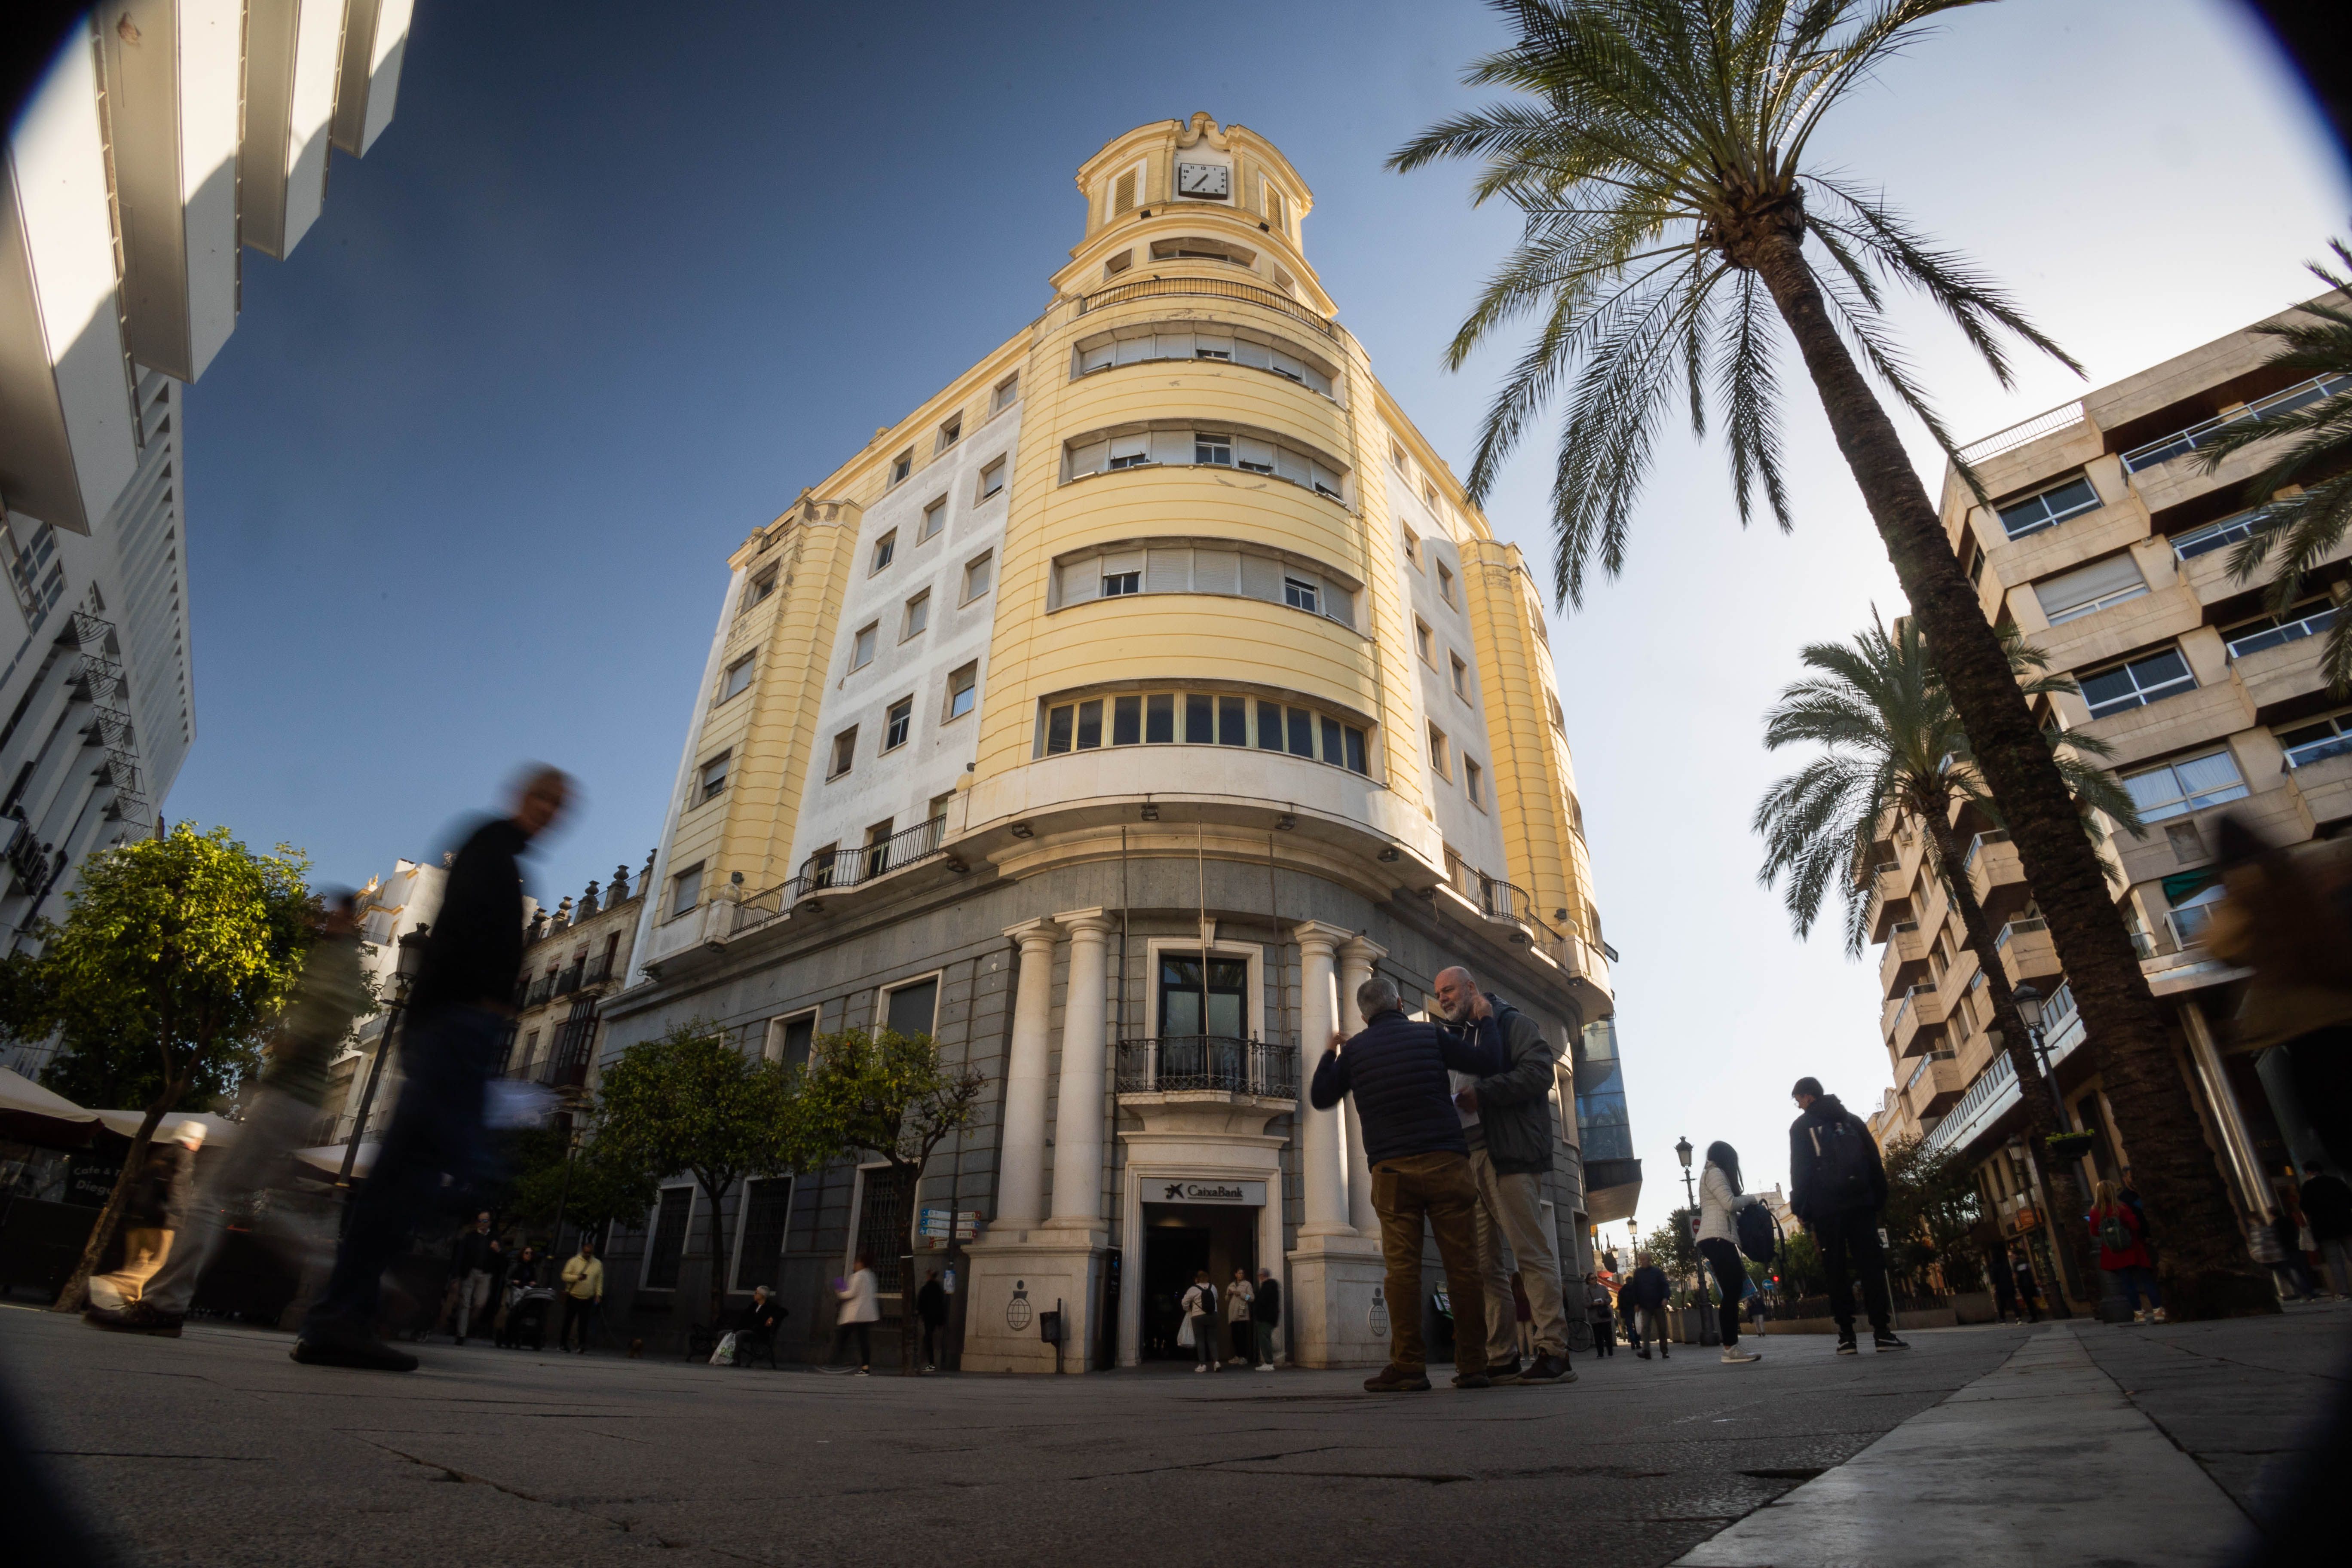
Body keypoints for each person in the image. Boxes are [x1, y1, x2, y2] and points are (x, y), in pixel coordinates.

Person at [297, 768, 571, 1371]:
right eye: (548, 800)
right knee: (438, 1173)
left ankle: (344, 1312)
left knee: (406, 1174)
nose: (554, 814)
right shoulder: (489, 850)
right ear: (527, 798)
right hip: (455, 1028)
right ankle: (350, 1309)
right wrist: (477, 1010)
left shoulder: (504, 858)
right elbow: (470, 938)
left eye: (560, 806)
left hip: (452, 1028)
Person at [89, 896, 371, 1336]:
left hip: (287, 1094)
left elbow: (325, 1016)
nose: (322, 920)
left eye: (332, 913)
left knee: (208, 1197)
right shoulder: (334, 958)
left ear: (348, 918)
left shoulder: (341, 960)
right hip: (293, 1095)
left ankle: (164, 1305)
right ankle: (364, 1284)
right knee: (270, 1209)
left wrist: (290, 1039)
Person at [1310, 972, 1504, 1393]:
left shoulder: (1355, 1052)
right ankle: (1473, 1365)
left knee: (1402, 1271)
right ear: (1400, 1005)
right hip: (1447, 1163)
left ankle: (1409, 1366)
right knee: (1464, 1268)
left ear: (1364, 1016)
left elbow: (1321, 1096)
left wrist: (1331, 1052)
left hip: (1392, 1172)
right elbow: (1489, 1062)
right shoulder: (1430, 1037)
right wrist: (1486, 1019)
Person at [1434, 965, 1576, 1385]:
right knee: (1484, 1265)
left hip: (1508, 1154)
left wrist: (1486, 1094)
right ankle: (1502, 1355)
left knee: (1529, 1253)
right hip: (1469, 1158)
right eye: (1438, 993)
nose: (1443, 999)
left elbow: (1539, 1073)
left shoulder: (1512, 1022)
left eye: (1449, 990)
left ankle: (1555, 1352)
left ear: (1472, 988)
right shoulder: (1457, 1037)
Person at [1788, 1076, 1906, 1354]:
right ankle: (1883, 1333)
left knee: (1836, 1271)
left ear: (1807, 1098)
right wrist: (1877, 1199)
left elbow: (1801, 1169)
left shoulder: (1802, 1127)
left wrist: (1802, 1209)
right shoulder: (1851, 1120)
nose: (1798, 1105)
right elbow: (1874, 1161)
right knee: (1871, 1267)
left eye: (1798, 1100)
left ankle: (1847, 1337)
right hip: (1860, 1205)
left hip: (1826, 1209)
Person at [86, 1122, 204, 1311]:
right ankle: (113, 1283)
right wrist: (179, 1216)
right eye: (200, 1140)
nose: (200, 1144)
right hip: (162, 1220)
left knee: (136, 1263)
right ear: (193, 1140)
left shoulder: (160, 1153)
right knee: (158, 1265)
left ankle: (125, 1308)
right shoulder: (184, 1155)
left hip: (137, 1218)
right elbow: (179, 1187)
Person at [1696, 1140, 1762, 1365]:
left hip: (1718, 1237)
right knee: (1732, 1293)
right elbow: (1730, 1203)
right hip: (1717, 1238)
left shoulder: (1712, 1173)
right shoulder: (1715, 1173)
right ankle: (1730, 1348)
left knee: (1733, 1292)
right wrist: (1752, 1199)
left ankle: (1731, 1346)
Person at [2087, 1179, 2164, 1323]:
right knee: (2146, 1279)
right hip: (2133, 1248)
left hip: (2114, 1252)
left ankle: (2139, 1314)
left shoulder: (2095, 1211)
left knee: (2128, 1283)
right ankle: (2158, 1311)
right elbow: (2135, 1225)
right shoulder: (2121, 1208)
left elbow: (2094, 1232)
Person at [2301, 1163, 2352, 1298]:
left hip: (2324, 1229)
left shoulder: (2308, 1187)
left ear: (2308, 1172)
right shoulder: (2336, 1182)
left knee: (2335, 1261)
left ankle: (2344, 1292)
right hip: (2346, 1224)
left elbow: (2305, 1208)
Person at [450, 1212, 496, 1344]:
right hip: (469, 1272)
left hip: (485, 1274)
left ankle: (468, 1327)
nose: (483, 1224)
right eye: (481, 1221)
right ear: (477, 1222)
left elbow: (502, 1259)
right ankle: (461, 1334)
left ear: (490, 1223)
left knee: (480, 1304)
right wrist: (457, 1275)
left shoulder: (494, 1238)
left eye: (486, 1221)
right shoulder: (470, 1237)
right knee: (465, 1303)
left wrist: (498, 1251)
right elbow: (461, 1256)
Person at [2272, 1183, 2321, 1301]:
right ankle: (2310, 1291)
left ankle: (2305, 1293)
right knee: (2302, 1270)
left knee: (2295, 1272)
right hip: (2295, 1245)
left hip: (2287, 1249)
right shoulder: (2289, 1220)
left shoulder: (2275, 1225)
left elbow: (2277, 1237)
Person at [833, 1251, 879, 1375]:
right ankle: (865, 1367)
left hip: (855, 1314)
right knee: (863, 1340)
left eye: (856, 1262)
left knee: (843, 1337)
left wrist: (840, 1292)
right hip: (867, 1314)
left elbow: (851, 1293)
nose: (854, 1265)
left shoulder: (858, 1276)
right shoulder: (871, 1276)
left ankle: (836, 1362)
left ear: (861, 1263)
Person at [559, 1237, 603, 1352]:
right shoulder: (574, 1261)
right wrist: (577, 1277)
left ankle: (582, 1345)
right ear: (582, 1251)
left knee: (584, 1323)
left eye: (590, 1253)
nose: (588, 1255)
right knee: (568, 1322)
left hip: (588, 1298)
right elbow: (564, 1276)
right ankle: (563, 1344)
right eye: (586, 1252)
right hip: (573, 1296)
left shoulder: (598, 1264)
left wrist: (598, 1294)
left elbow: (599, 1280)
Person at [1623, 1254, 1670, 1359]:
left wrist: (1666, 1297)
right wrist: (1636, 1303)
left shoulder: (1657, 1272)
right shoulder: (1638, 1273)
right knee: (1645, 1329)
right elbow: (1635, 1289)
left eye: (1644, 1259)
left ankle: (1664, 1351)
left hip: (1658, 1304)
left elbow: (1664, 1285)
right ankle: (1647, 1351)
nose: (1642, 1262)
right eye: (1641, 1260)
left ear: (1649, 1260)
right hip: (1645, 1305)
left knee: (1662, 1328)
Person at [497, 1244, 541, 1349]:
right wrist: (514, 1282)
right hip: (516, 1291)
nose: (529, 1255)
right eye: (527, 1253)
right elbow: (507, 1279)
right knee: (513, 1313)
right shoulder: (516, 1265)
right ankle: (508, 1338)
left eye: (531, 1253)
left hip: (527, 1292)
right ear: (522, 1254)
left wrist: (533, 1283)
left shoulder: (532, 1267)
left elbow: (534, 1280)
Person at [736, 1284, 785, 1369]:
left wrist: (772, 1318)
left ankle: (735, 1359)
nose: (755, 1295)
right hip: (748, 1330)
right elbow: (744, 1317)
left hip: (759, 1333)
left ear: (762, 1296)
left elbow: (784, 1311)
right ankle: (722, 1357)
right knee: (724, 1333)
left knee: (740, 1334)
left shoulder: (771, 1306)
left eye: (757, 1293)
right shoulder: (754, 1305)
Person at [1181, 1271, 1219, 1372]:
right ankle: (1216, 1362)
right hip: (1213, 1315)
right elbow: (1217, 1298)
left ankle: (1202, 1365)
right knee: (1212, 1340)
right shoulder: (1213, 1287)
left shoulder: (1193, 1289)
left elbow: (1184, 1302)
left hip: (1198, 1317)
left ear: (1196, 1279)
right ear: (1208, 1278)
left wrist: (1188, 1310)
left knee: (1200, 1341)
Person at [916, 1269, 949, 1371]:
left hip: (929, 1317)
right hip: (936, 1318)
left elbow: (921, 1303)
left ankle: (931, 1363)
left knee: (928, 1339)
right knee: (928, 1338)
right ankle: (930, 1362)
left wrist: (920, 1312)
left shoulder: (926, 1288)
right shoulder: (938, 1288)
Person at [1250, 1266, 1281, 1370]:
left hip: (1265, 1318)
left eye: (1260, 1275)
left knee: (1264, 1339)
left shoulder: (1266, 1287)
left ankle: (1269, 1362)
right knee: (1267, 1338)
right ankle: (1275, 1354)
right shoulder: (1273, 1286)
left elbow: (1261, 1302)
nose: (1259, 1277)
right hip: (1271, 1317)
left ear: (1262, 1276)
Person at [1223, 1268, 1254, 1366]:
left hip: (1242, 1315)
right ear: (1236, 1274)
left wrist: (1241, 1294)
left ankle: (1244, 1357)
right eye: (1239, 1273)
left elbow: (1251, 1298)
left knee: (1242, 1337)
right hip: (1233, 1316)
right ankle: (1237, 1356)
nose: (1241, 1275)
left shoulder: (1247, 1285)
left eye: (1242, 1273)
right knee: (1235, 1337)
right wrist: (1228, 1294)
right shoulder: (1231, 1285)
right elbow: (1226, 1299)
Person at [1986, 1246, 2020, 1323]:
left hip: (2000, 1287)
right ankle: (2018, 1317)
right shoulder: (2006, 1265)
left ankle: (2002, 1318)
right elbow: (2011, 1276)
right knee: (2013, 1302)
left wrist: (1993, 1289)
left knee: (2001, 1303)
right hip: (2009, 1286)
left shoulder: (1994, 1267)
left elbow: (1994, 1279)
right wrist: (2014, 1285)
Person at [1584, 1274, 1615, 1356]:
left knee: (1608, 1335)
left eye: (1595, 1278)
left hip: (1605, 1315)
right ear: (1588, 1281)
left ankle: (1610, 1351)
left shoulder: (1603, 1288)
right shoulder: (1587, 1291)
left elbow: (1610, 1299)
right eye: (1592, 1279)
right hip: (1595, 1317)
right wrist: (1592, 1304)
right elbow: (1585, 1304)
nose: (1595, 1280)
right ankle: (1600, 1353)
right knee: (1598, 1336)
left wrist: (1604, 1302)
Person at [2012, 1250, 2043, 1323]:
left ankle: (2034, 1316)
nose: (2011, 1257)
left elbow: (2015, 1275)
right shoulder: (2026, 1261)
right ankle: (2036, 1314)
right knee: (2031, 1299)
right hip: (2030, 1282)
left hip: (2023, 1284)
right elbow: (2030, 1271)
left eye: (2012, 1255)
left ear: (2016, 1255)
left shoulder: (2016, 1263)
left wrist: (2016, 1284)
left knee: (2028, 1300)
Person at [1510, 1272, 1535, 1361]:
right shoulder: (1525, 1287)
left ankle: (1522, 1356)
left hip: (1518, 1314)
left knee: (1520, 1336)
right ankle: (1532, 1355)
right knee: (1530, 1335)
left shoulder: (1512, 1289)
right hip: (1527, 1313)